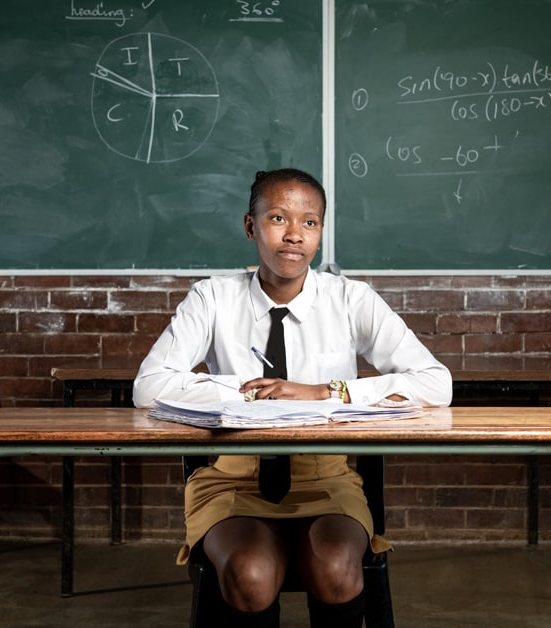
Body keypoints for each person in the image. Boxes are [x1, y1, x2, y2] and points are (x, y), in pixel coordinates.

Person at [133, 167, 452, 628]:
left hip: (325, 477)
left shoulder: (350, 299)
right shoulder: (212, 298)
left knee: (337, 568)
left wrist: (325, 391)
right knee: (251, 572)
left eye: (310, 222)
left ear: (320, 232)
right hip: (232, 479)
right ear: (250, 226)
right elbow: (149, 386)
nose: (294, 235)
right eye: (278, 218)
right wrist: (246, 390)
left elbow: (435, 383)